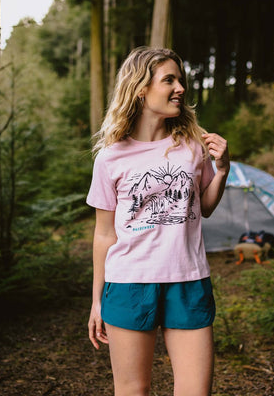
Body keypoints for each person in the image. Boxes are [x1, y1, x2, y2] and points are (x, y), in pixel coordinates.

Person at [86, 46, 230, 396]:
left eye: (180, 80)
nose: (180, 88)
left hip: (189, 279)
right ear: (140, 88)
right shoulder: (110, 157)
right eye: (169, 80)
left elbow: (204, 207)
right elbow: (104, 235)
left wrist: (223, 170)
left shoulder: (192, 146)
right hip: (128, 283)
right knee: (133, 390)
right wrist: (96, 300)